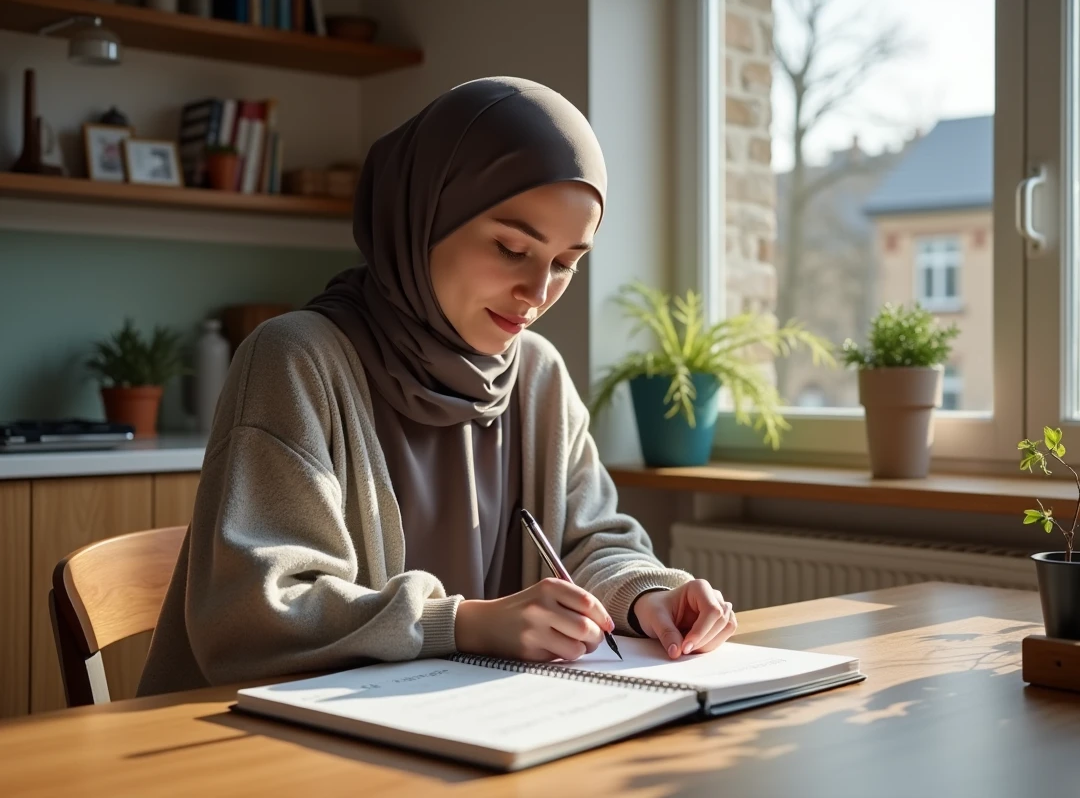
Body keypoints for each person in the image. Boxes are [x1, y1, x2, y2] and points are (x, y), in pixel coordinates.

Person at [138, 77, 736, 698]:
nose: (537, 294)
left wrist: (648, 593)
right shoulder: (295, 359)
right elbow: (258, 613)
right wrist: (463, 624)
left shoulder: (538, 374)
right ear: (427, 215)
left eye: (564, 264)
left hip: (476, 739)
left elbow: (593, 543)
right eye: (511, 248)